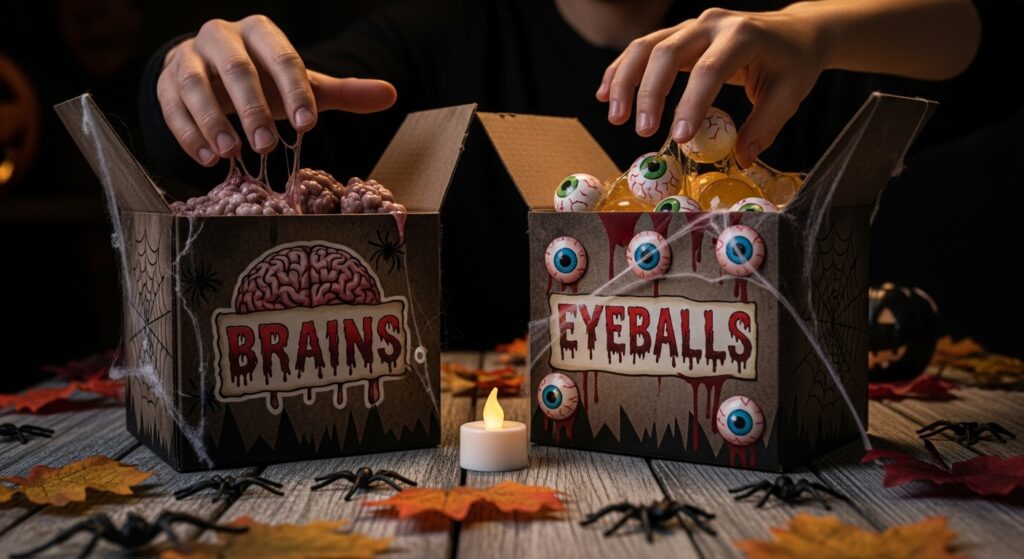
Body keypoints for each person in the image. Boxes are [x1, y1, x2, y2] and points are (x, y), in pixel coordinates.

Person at [139, 0, 1008, 350]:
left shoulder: (764, 53)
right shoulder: (439, 40)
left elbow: (982, 41)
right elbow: (189, 136)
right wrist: (198, 80)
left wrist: (820, 30)